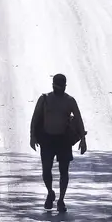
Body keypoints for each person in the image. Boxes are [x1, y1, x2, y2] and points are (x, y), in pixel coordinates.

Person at [29, 73, 88, 213]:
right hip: (47, 140)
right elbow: (35, 118)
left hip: (63, 141)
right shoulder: (44, 99)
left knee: (64, 172)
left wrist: (83, 140)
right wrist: (32, 136)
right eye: (56, 86)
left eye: (60, 86)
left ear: (65, 87)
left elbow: (79, 120)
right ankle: (50, 192)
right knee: (46, 170)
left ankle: (61, 199)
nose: (58, 89)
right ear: (52, 85)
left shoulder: (70, 101)